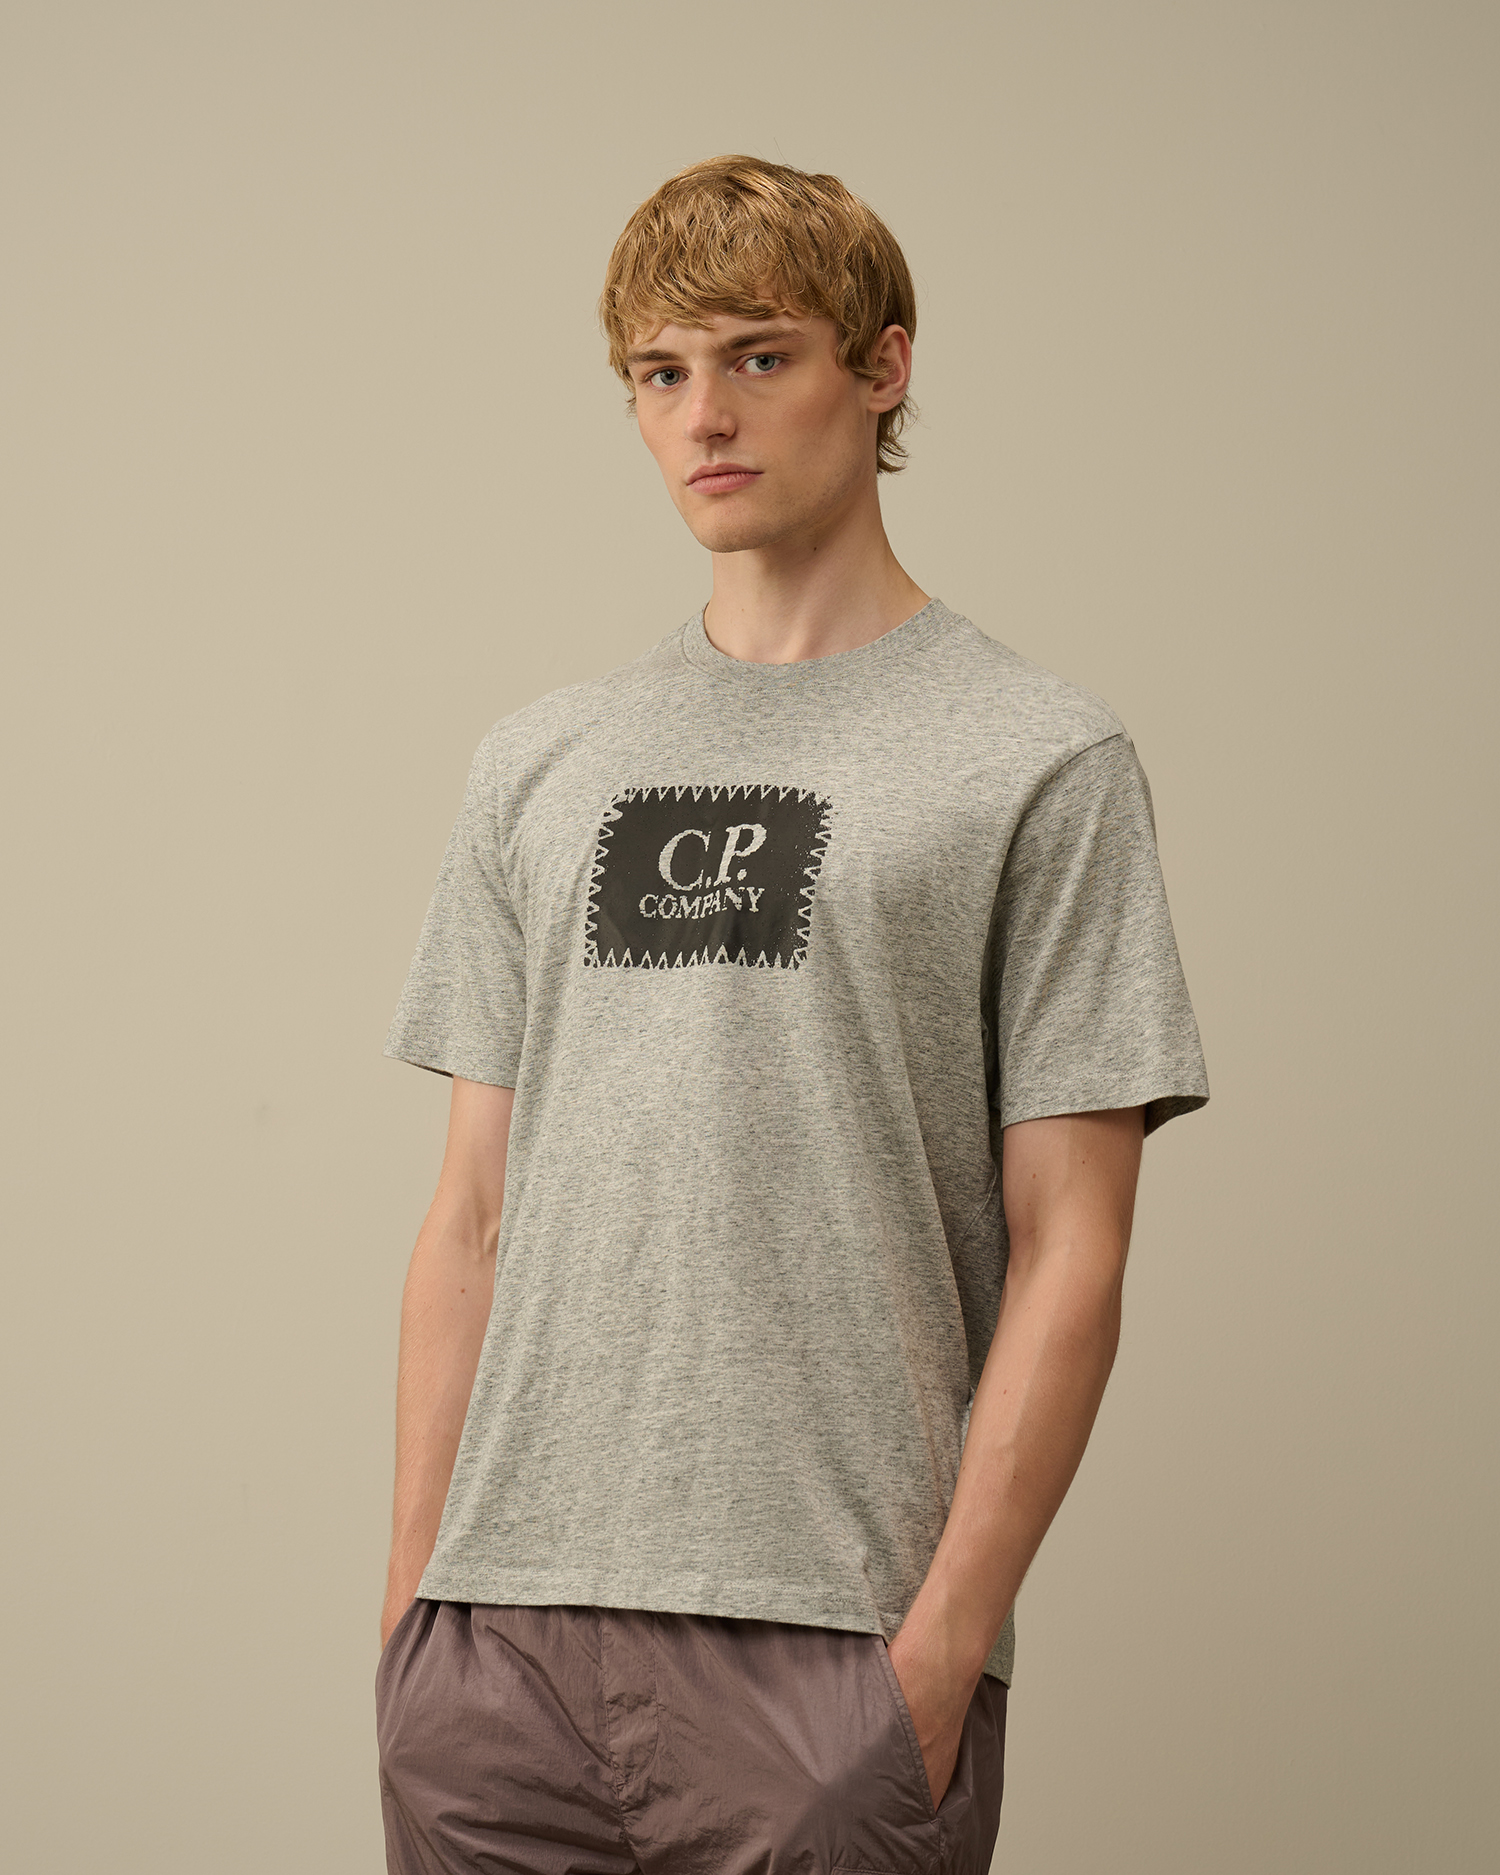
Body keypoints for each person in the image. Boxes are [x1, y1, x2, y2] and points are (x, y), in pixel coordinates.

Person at [375, 154, 1208, 1875]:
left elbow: (1074, 1246)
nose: (705, 416)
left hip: (830, 1645)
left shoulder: (1038, 757)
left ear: (882, 368)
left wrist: (938, 1654)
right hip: (497, 1649)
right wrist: (410, 1624)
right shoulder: (539, 761)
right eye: (661, 373)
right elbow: (469, 1218)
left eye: (759, 356)